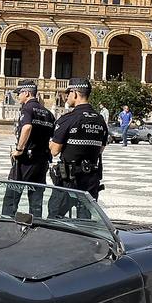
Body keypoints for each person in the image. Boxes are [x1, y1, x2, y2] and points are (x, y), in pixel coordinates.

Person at [48, 78, 109, 218]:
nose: (66, 96)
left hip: (69, 180)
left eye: (68, 93)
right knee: (85, 221)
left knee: (55, 218)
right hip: (91, 179)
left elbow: (54, 150)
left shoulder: (68, 119)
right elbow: (101, 149)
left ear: (75, 93)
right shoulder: (100, 120)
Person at [1, 82, 56, 218]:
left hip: (26, 160)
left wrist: (19, 149)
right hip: (42, 160)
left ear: (26, 93)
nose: (18, 96)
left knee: (12, 198)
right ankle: (36, 225)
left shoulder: (27, 109)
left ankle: (6, 225)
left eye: (19, 93)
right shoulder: (48, 113)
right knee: (36, 200)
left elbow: (27, 127)